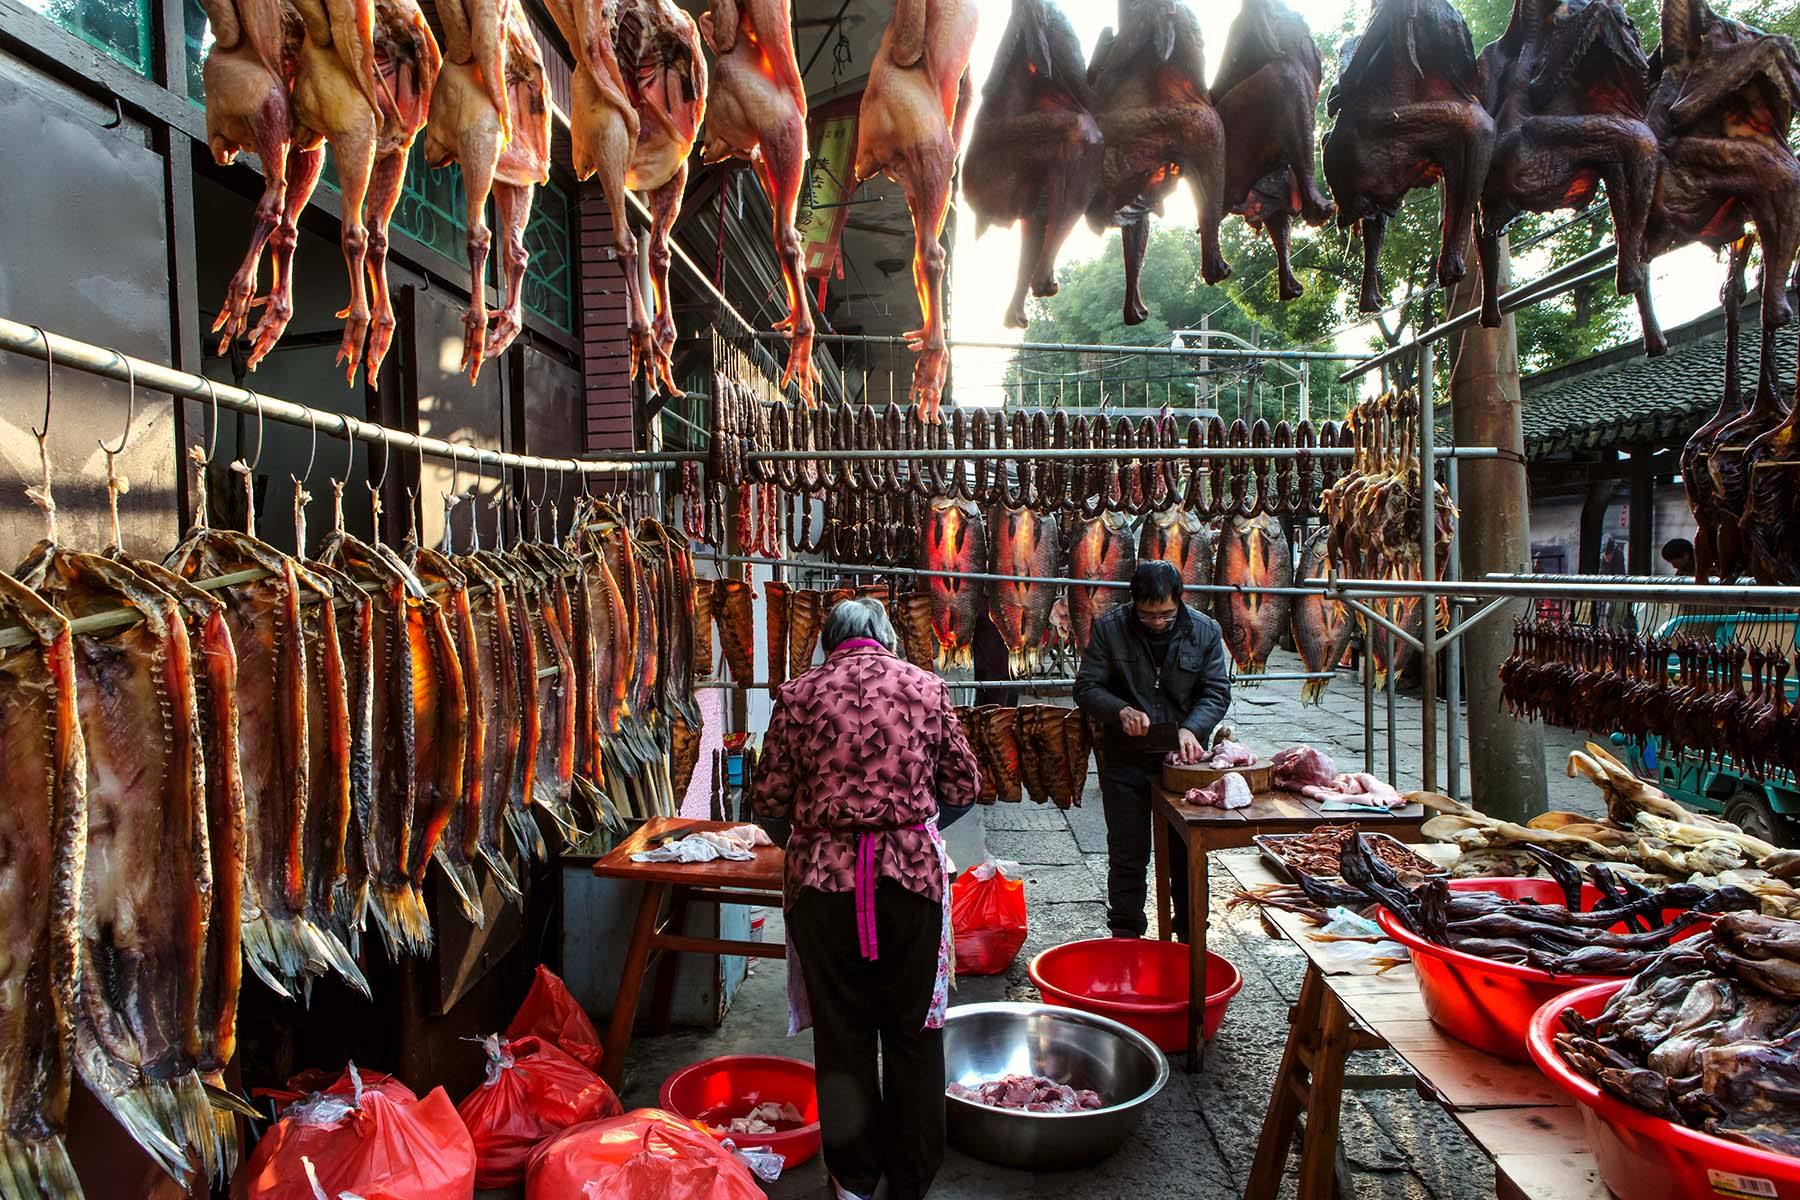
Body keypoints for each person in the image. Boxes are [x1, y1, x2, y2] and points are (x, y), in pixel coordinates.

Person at [751, 597, 979, 1200]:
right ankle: (911, 1180)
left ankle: (853, 1181)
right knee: (914, 1031)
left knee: (844, 1032)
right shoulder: (926, 688)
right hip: (910, 885)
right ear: (885, 639)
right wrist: (913, 827)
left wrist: (814, 836)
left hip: (823, 887)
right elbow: (964, 785)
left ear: (829, 642)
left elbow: (769, 801)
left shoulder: (797, 695)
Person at [1073, 560, 1232, 940]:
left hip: (1183, 765)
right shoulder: (1111, 628)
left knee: (1187, 855)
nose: (1158, 622)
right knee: (1128, 855)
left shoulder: (1205, 631)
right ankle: (1126, 937)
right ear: (1134, 604)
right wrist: (1120, 710)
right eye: (1148, 615)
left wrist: (1193, 728)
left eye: (1166, 614)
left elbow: (1215, 691)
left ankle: (1192, 936)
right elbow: (1086, 687)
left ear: (1179, 601)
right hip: (1124, 759)